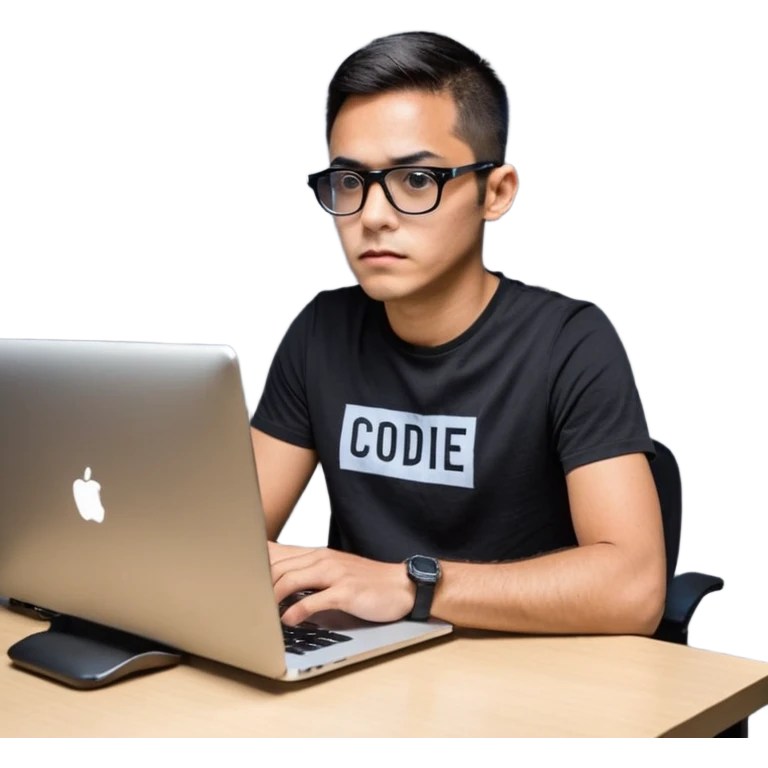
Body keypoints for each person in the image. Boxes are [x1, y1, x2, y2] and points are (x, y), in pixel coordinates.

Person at [251, 30, 666, 636]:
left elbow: (634, 588)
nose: (372, 216)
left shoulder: (569, 343)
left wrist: (409, 584)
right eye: (349, 181)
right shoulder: (323, 331)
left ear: (495, 192)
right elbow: (226, 540)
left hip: (521, 675)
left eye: (415, 180)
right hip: (359, 669)